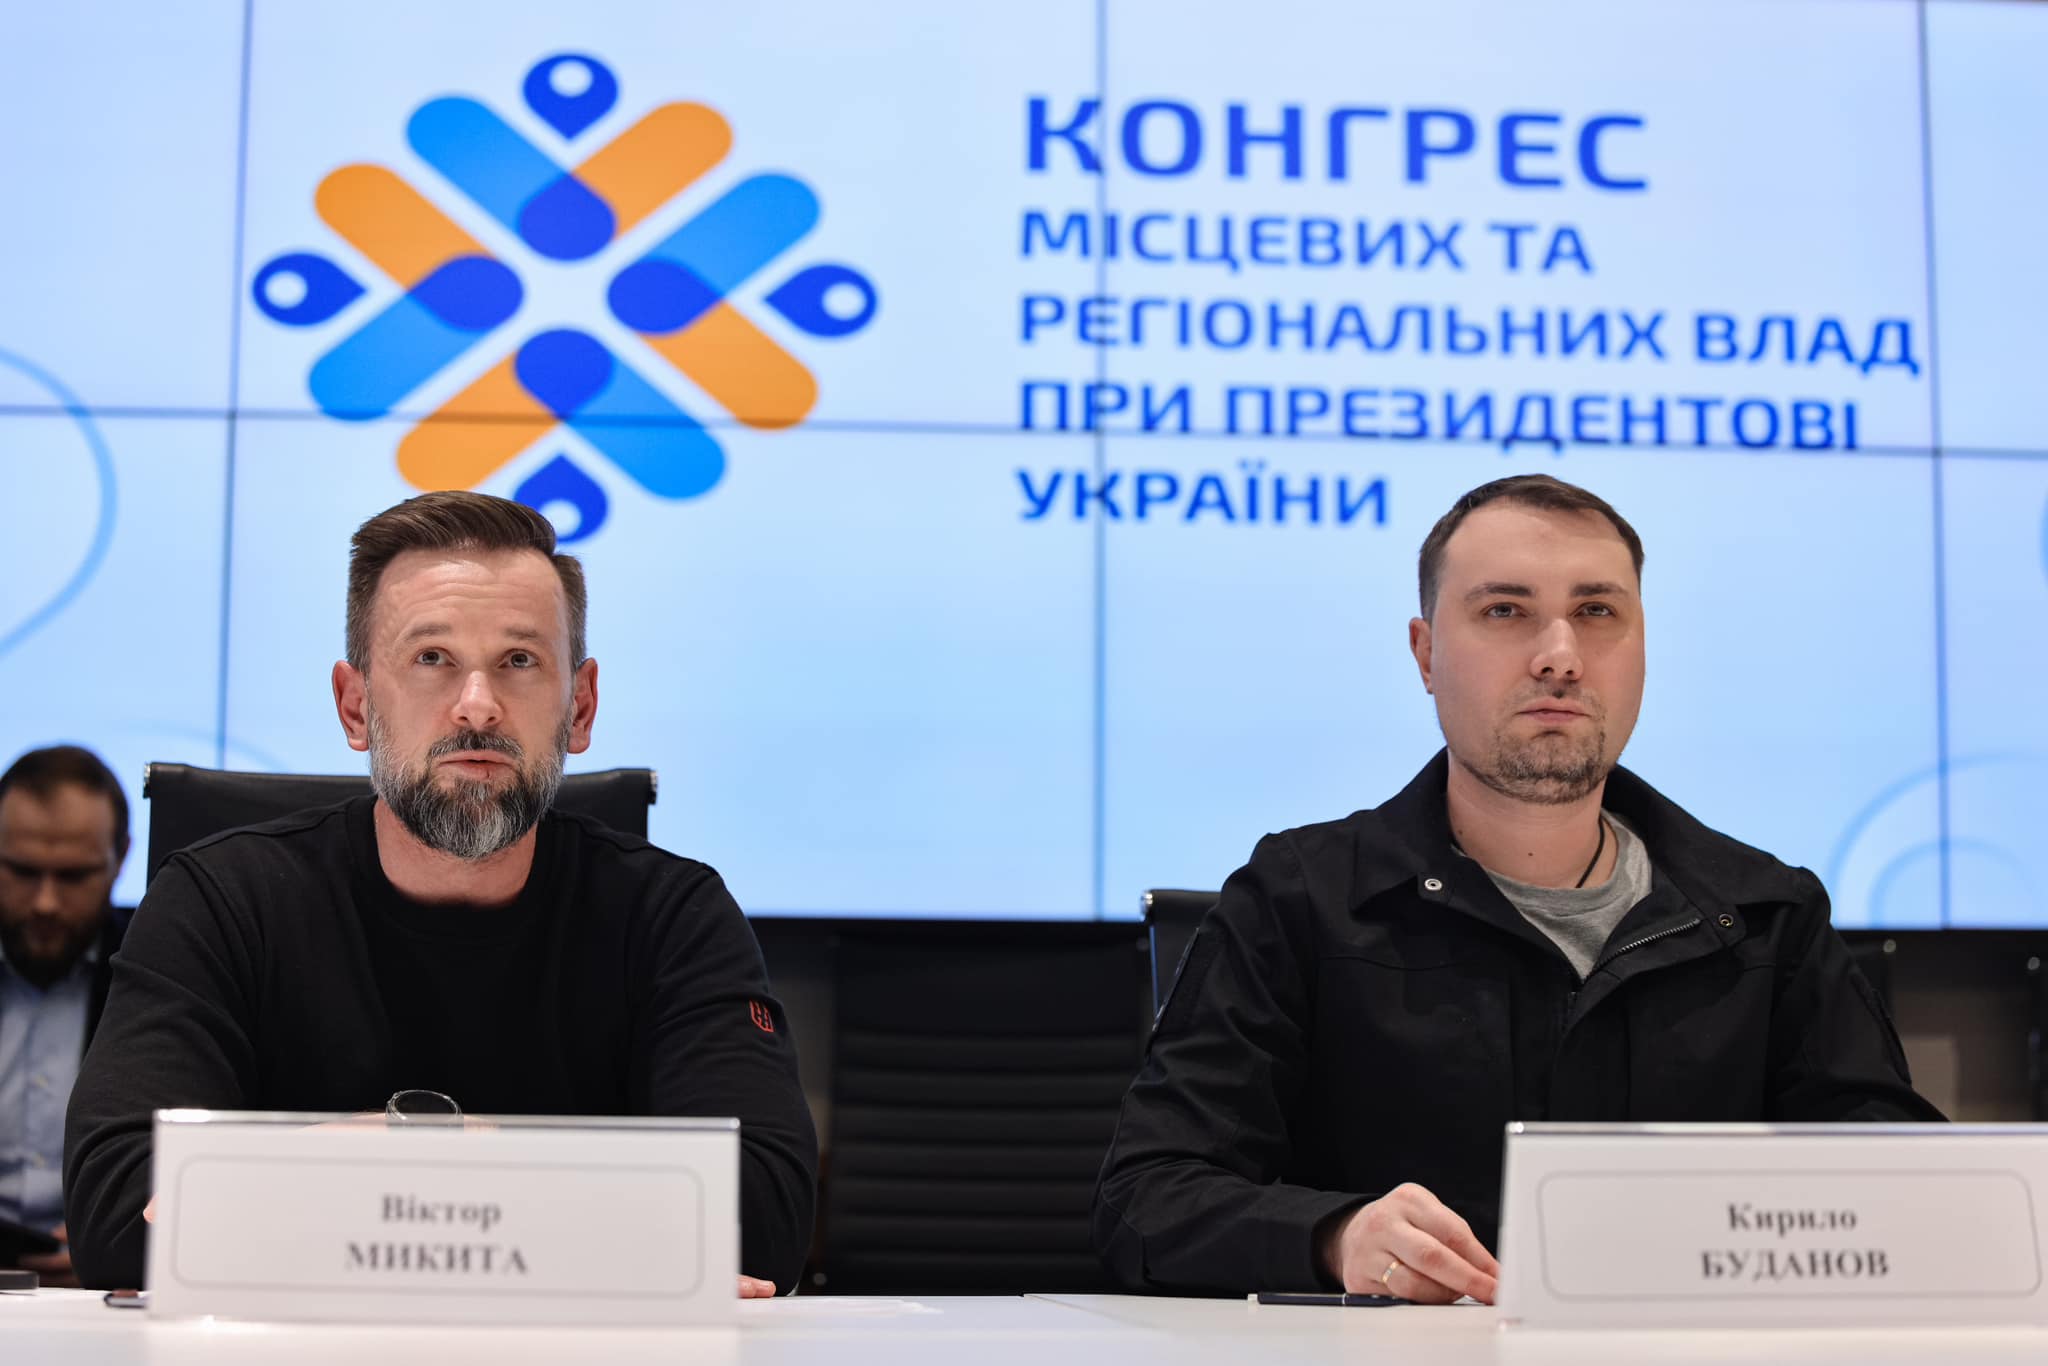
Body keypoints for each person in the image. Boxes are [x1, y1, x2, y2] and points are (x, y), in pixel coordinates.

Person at [1091, 474, 1941, 1303]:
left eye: (1597, 612)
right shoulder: (1299, 900)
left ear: (1643, 648)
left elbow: (1905, 1187)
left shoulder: (1766, 914)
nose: (1560, 657)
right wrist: (1335, 1237)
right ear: (1426, 654)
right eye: (1506, 611)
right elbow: (1147, 1199)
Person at [64, 492, 816, 1294]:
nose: (477, 706)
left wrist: (366, 1157)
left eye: (519, 661)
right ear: (356, 706)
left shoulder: (674, 917)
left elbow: (761, 1220)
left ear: (581, 706)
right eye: (432, 659)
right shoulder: (220, 903)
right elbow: (120, 1219)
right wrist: (600, 1218)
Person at [0, 745, 132, 1288]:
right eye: (22, 872)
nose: (46, 903)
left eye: (74, 876)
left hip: (106, 1287)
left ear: (121, 858)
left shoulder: (166, 969)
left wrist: (119, 1248)